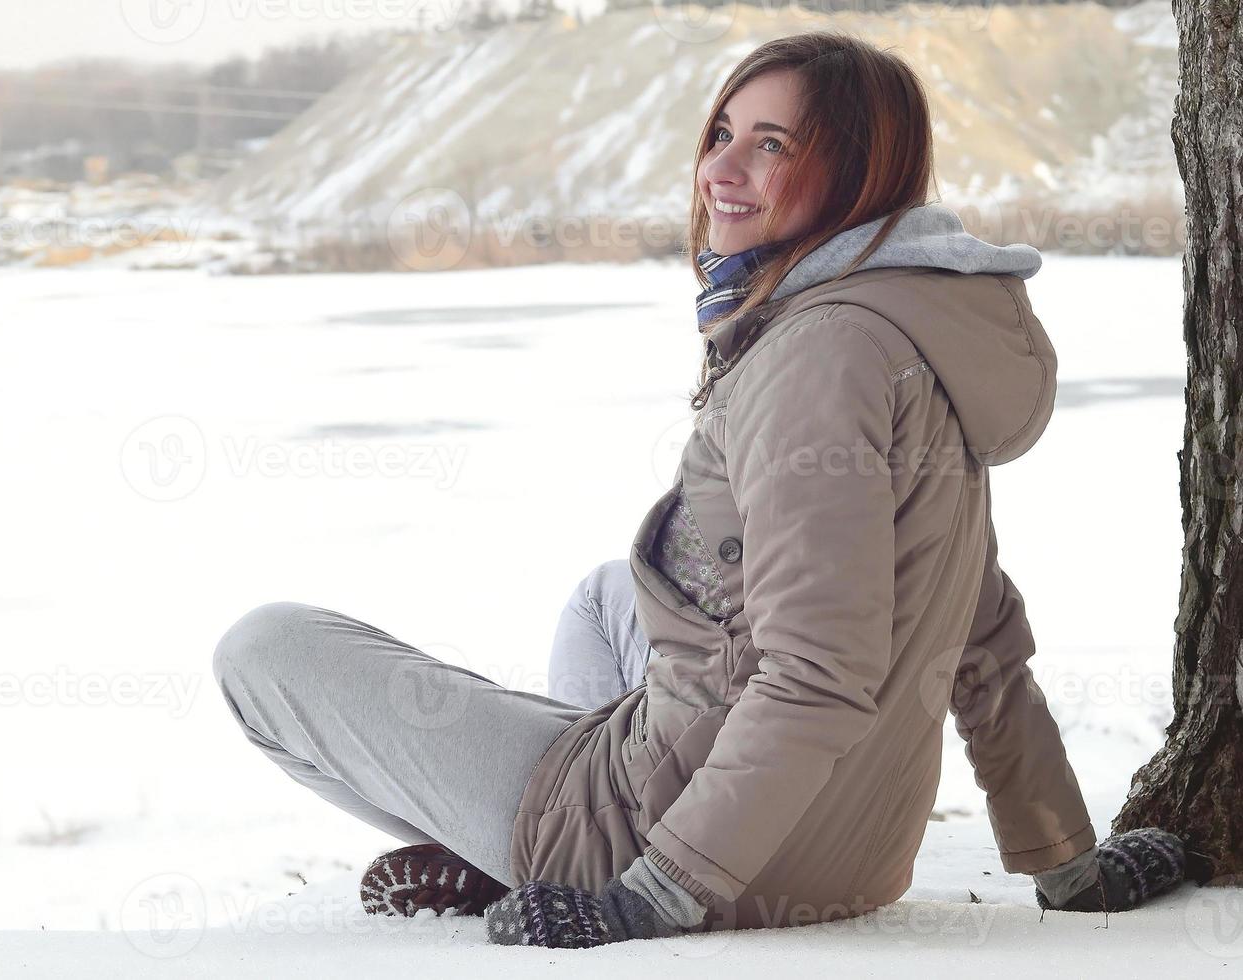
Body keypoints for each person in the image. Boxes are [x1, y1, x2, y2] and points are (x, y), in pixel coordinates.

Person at [211, 31, 1186, 950]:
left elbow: (818, 671)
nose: (719, 168)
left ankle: (538, 857)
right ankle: (529, 842)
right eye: (722, 133)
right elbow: (979, 637)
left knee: (261, 648)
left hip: (695, 851)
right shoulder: (914, 324)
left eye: (770, 145)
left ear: (857, 173)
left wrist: (647, 893)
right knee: (605, 596)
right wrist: (1069, 867)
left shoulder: (822, 354)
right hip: (853, 846)